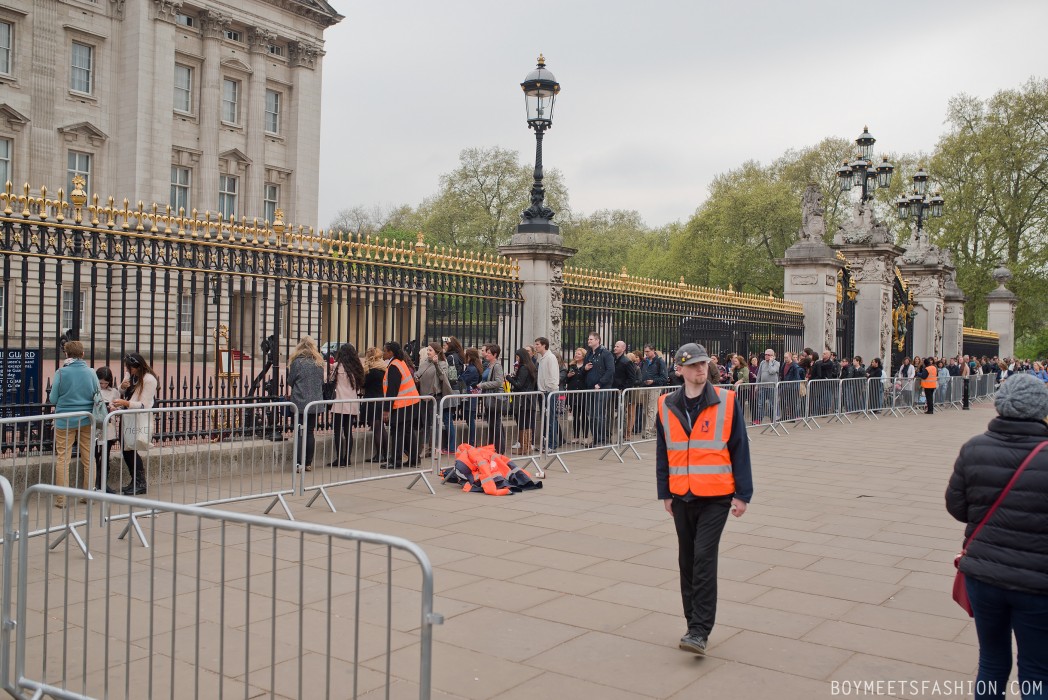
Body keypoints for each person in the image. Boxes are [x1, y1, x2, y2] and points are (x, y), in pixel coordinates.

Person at [945, 373, 1048, 700]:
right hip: (1037, 581)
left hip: (983, 576)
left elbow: (957, 507)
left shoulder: (974, 447)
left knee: (991, 659)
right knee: (1036, 668)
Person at [656, 343, 753, 656]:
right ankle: (691, 623)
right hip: (681, 495)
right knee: (687, 560)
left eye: (704, 364)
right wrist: (665, 493)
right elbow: (663, 453)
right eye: (694, 365)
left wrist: (743, 494)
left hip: (717, 495)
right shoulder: (666, 404)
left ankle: (700, 630)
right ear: (680, 369)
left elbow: (740, 447)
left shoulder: (726, 400)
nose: (701, 370)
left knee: (703, 559)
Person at [48, 341, 102, 507]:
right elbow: (97, 394)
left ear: (66, 354)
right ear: (83, 354)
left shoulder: (61, 372)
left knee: (63, 458)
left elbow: (53, 399)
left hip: (65, 419)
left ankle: (62, 499)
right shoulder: (91, 372)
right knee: (88, 458)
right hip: (86, 418)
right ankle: (87, 495)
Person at [111, 352, 158, 495]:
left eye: (131, 367)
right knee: (126, 449)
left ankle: (140, 482)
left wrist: (125, 403)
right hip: (128, 416)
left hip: (137, 418)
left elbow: (144, 404)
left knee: (130, 449)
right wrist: (122, 387)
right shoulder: (132, 376)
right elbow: (122, 391)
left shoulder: (149, 379)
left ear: (138, 366)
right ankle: (135, 480)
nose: (129, 370)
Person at [287, 336, 325, 472]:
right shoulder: (318, 362)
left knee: (299, 432)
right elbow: (321, 382)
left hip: (300, 401)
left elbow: (290, 381)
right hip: (315, 402)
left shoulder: (297, 362)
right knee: (309, 432)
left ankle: (299, 462)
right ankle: (308, 462)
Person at [382, 341, 422, 469]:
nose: (383, 353)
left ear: (390, 352)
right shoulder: (401, 363)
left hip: (402, 404)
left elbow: (392, 390)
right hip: (411, 402)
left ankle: (396, 460)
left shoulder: (394, 366)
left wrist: (386, 410)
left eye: (385, 350)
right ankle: (415, 459)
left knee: (397, 432)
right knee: (408, 432)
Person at [327, 344, 364, 466]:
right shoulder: (356, 368)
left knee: (338, 432)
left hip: (339, 403)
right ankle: (347, 458)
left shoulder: (337, 367)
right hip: (352, 403)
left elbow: (330, 380)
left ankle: (339, 458)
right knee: (348, 432)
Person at [415, 342, 454, 457]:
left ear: (437, 352)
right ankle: (425, 447)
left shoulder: (443, 363)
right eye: (427, 350)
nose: (428, 352)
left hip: (435, 396)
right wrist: (416, 376)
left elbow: (443, 376)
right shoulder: (424, 362)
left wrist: (436, 364)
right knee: (425, 423)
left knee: (435, 423)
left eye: (430, 350)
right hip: (424, 396)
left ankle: (437, 448)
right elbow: (419, 373)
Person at [584, 333, 615, 446]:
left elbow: (610, 370)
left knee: (599, 415)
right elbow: (584, 369)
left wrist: (600, 383)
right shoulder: (589, 354)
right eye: (588, 339)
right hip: (590, 388)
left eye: (591, 339)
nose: (589, 341)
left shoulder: (606, 354)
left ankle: (602, 439)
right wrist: (585, 368)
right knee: (591, 416)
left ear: (597, 340)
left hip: (602, 389)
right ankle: (596, 439)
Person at [475, 343, 507, 454]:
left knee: (496, 423)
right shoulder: (489, 365)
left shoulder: (497, 366)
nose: (486, 354)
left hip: (494, 398)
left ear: (495, 354)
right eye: (486, 352)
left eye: (489, 353)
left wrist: (483, 385)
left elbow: (498, 382)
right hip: (489, 397)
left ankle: (499, 449)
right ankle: (494, 447)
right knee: (493, 423)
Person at [94, 366, 120, 493]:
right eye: (101, 383)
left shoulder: (114, 392)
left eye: (106, 382)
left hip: (108, 429)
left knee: (105, 457)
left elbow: (119, 407)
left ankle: (103, 483)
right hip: (95, 429)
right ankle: (94, 482)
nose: (103, 385)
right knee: (94, 456)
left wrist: (114, 408)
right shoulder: (93, 390)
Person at [507, 347, 538, 454]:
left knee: (522, 422)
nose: (517, 359)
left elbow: (519, 385)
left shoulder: (524, 368)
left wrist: (509, 378)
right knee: (526, 423)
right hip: (528, 399)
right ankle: (526, 447)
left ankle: (524, 447)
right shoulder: (531, 367)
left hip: (524, 400)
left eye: (517, 356)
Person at [361, 347, 388, 463]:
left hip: (372, 401)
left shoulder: (371, 371)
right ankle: (386, 454)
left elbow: (363, 385)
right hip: (381, 399)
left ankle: (379, 455)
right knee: (382, 428)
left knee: (377, 428)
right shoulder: (383, 369)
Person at [533, 337, 561, 452]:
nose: (536, 346)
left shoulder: (550, 358)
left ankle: (552, 444)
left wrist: (549, 390)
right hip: (543, 392)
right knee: (546, 419)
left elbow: (553, 377)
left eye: (538, 344)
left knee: (550, 419)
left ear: (544, 345)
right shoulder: (543, 359)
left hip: (549, 392)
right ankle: (547, 443)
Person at [639, 344, 668, 440]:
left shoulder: (659, 361)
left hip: (654, 387)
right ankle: (649, 429)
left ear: (653, 351)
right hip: (644, 387)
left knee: (651, 409)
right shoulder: (645, 361)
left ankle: (648, 431)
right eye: (645, 351)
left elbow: (664, 377)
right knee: (646, 410)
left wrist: (653, 381)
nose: (646, 353)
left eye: (647, 351)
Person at [460, 348, 484, 446]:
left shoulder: (472, 369)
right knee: (469, 418)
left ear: (469, 356)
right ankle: (472, 442)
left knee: (470, 419)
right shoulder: (474, 367)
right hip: (472, 395)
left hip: (470, 395)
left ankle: (472, 442)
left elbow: (463, 379)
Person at [565, 347, 589, 444]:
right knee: (575, 416)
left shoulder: (586, 366)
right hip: (573, 394)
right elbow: (566, 381)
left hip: (583, 394)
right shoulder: (572, 366)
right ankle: (576, 436)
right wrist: (568, 376)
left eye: (578, 354)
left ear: (583, 356)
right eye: (575, 353)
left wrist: (583, 369)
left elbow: (586, 378)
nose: (576, 355)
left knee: (584, 416)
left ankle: (586, 437)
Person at [754, 349, 780, 425]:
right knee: (760, 404)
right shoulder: (762, 363)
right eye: (765, 354)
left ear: (772, 356)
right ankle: (759, 419)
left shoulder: (776, 363)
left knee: (772, 404)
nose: (766, 356)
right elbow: (759, 374)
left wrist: (770, 362)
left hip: (772, 387)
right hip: (762, 386)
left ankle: (773, 419)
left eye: (768, 355)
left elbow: (772, 371)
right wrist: (757, 385)